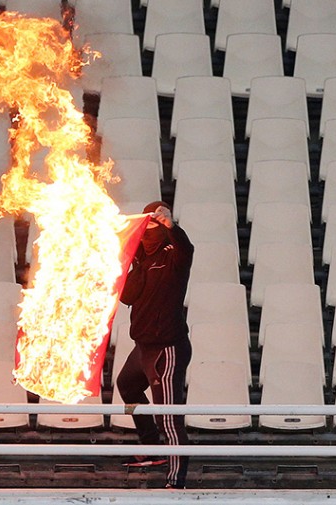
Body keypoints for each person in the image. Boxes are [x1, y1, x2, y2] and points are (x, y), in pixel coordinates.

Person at [117, 201, 195, 490]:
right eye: (149, 223)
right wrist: (129, 260)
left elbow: (187, 249)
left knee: (169, 415)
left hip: (167, 348)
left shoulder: (174, 254)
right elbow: (127, 297)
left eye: (157, 224)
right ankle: (151, 447)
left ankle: (176, 481)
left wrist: (170, 226)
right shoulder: (139, 258)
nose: (152, 229)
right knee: (127, 385)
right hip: (143, 346)